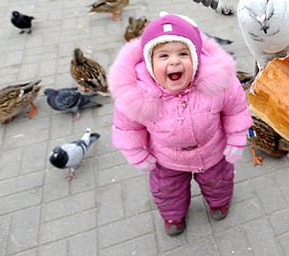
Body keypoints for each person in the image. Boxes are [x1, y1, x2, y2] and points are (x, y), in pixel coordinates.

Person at [108, 12, 252, 236]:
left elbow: (235, 108)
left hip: (213, 151)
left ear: (196, 58)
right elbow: (128, 127)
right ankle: (173, 215)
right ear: (148, 64)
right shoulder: (137, 94)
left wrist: (236, 138)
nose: (174, 61)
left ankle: (219, 201)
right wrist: (137, 153)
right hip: (167, 159)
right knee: (167, 191)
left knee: (219, 181)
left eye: (183, 53)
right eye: (163, 56)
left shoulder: (217, 82)